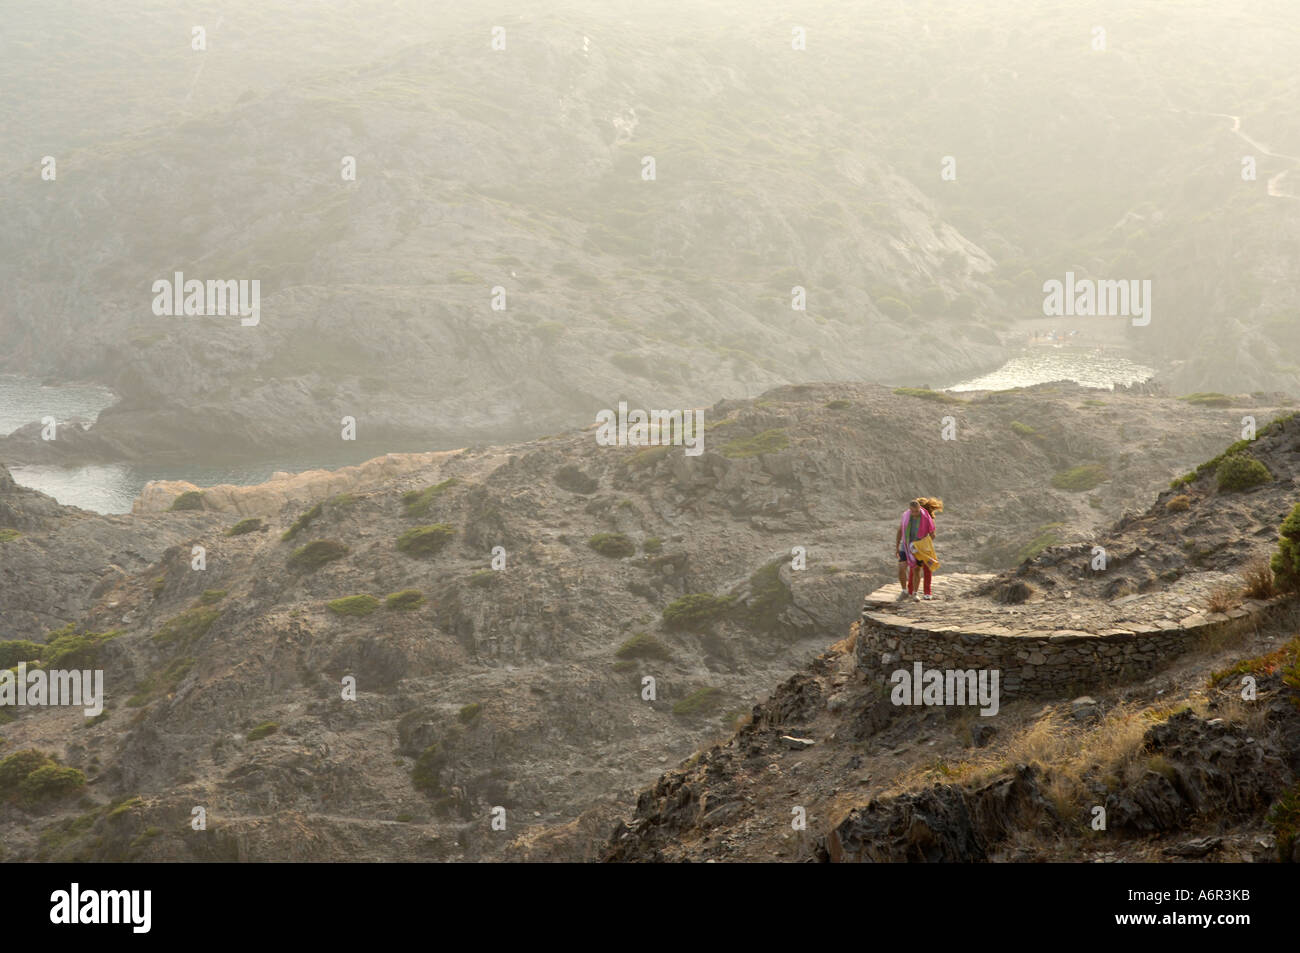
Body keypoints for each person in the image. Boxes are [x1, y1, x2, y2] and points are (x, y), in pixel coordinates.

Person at [895, 498, 938, 602]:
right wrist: (897, 546)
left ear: (920, 508)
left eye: (917, 511)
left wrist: (922, 545)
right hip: (905, 545)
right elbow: (900, 530)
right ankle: (905, 591)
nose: (914, 514)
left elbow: (933, 534)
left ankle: (917, 593)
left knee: (918, 569)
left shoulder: (926, 518)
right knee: (902, 567)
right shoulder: (906, 516)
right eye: (912, 511)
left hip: (919, 547)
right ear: (910, 510)